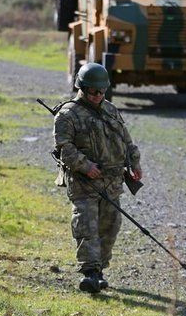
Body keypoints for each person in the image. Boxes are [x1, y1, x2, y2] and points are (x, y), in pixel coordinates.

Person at [53, 63, 142, 293]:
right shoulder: (67, 114)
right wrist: (85, 166)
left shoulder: (110, 109)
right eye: (93, 91)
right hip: (84, 183)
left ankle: (100, 270)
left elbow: (127, 140)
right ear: (81, 88)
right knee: (86, 226)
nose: (98, 96)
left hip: (112, 181)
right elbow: (64, 147)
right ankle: (90, 273)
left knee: (110, 227)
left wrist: (134, 163)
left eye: (102, 91)